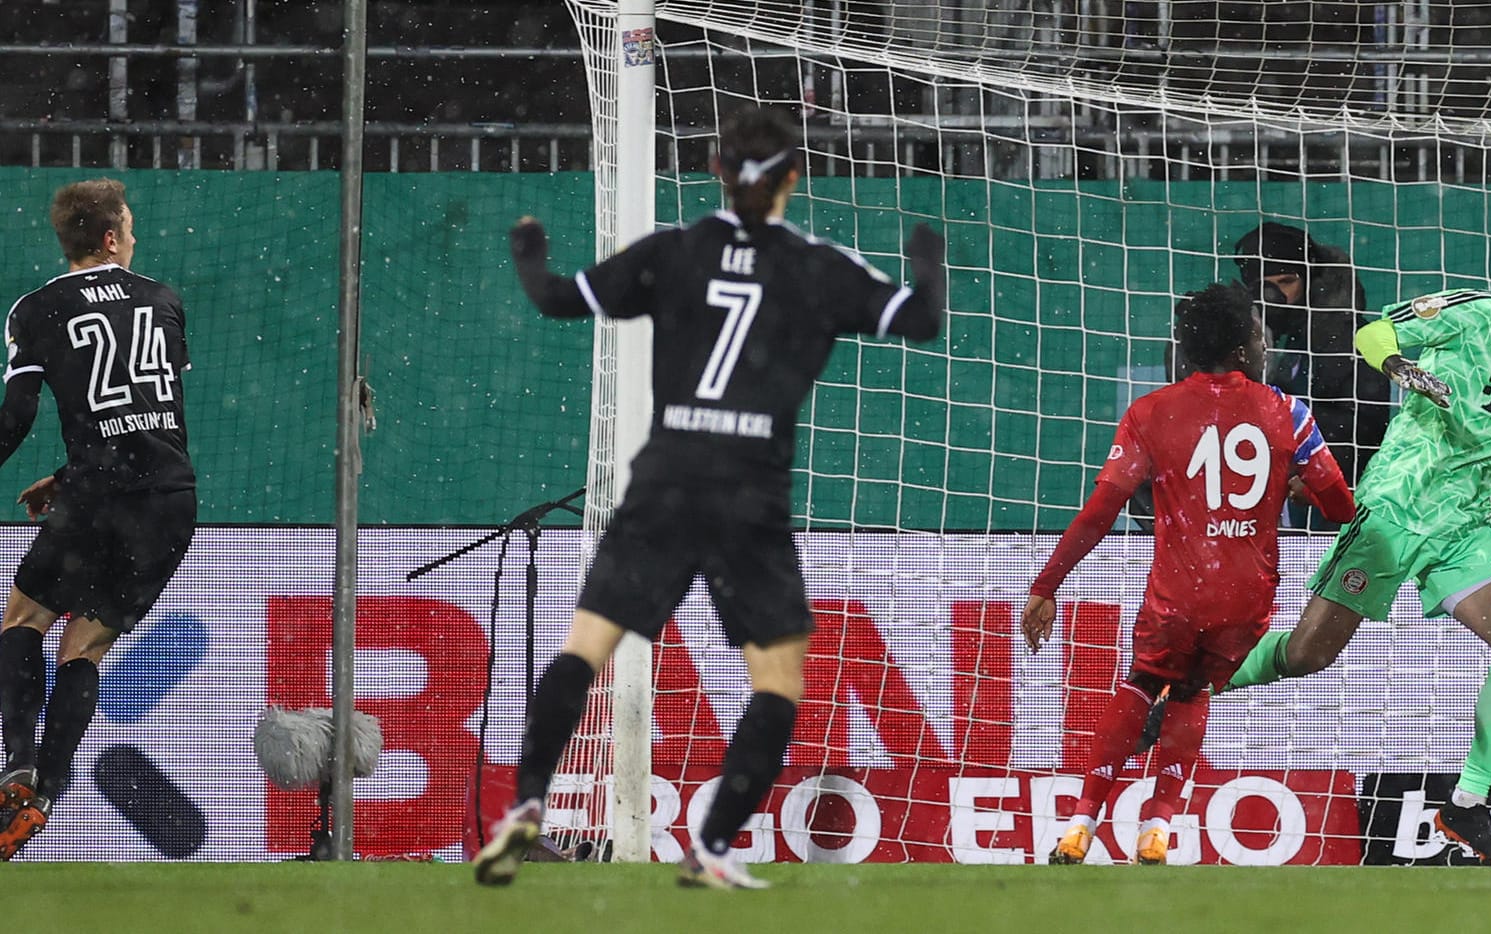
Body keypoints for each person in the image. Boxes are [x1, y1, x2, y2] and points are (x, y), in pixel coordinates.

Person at [471, 105, 946, 888]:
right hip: (748, 495)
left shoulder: (675, 252)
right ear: (795, 177)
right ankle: (713, 846)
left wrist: (529, 248)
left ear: (717, 174)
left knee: (584, 650)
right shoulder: (816, 265)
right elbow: (922, 318)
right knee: (778, 683)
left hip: (665, 481)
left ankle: (526, 804)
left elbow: (554, 298)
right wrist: (927, 257)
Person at [1223, 223, 1491, 865]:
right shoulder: (1474, 313)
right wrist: (1399, 365)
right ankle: (1194, 685)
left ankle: (1467, 804)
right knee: (1308, 654)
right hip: (1396, 502)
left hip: (1463, 526)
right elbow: (1374, 333)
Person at [1023, 282, 1356, 866]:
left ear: (1185, 347)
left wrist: (1046, 586)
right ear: (1249, 347)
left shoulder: (1150, 413)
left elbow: (1101, 512)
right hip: (1247, 598)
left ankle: (1080, 823)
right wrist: (1296, 489)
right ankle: (1159, 828)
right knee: (1195, 690)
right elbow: (1340, 510)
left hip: (1179, 592)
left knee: (1141, 684)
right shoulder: (1288, 413)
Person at [0, 179, 196, 860]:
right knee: (84, 648)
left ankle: (18, 763)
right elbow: (153, 415)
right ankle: (45, 795)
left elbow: (17, 418)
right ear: (111, 237)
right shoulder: (163, 299)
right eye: (130, 227)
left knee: (24, 618)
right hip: (170, 500)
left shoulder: (38, 308)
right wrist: (68, 477)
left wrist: (71, 477)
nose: (134, 237)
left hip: (100, 495)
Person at [1234, 222, 1392, 506]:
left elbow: (1364, 430)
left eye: (1286, 282)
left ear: (1309, 281)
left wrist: (1310, 474)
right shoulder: (1279, 340)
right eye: (1265, 286)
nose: (1275, 297)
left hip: (1336, 505)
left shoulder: (1347, 338)